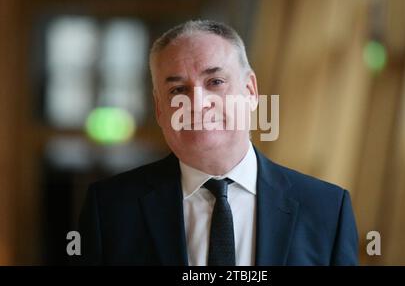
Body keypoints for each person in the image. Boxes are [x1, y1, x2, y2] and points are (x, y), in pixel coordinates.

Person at [77, 20, 359, 265]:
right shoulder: (111, 210)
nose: (197, 104)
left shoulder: (327, 210)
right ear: (160, 108)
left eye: (215, 82)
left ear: (250, 91)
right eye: (177, 89)